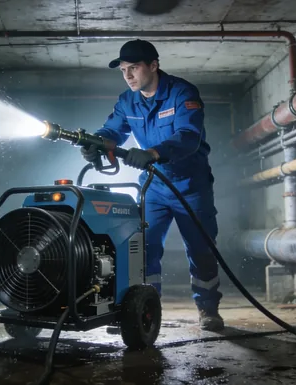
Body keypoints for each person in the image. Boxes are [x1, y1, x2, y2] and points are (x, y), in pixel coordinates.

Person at [81, 39, 224, 331]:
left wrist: (152, 153)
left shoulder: (182, 93)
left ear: (154, 66)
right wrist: (95, 143)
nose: (128, 76)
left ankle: (208, 309)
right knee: (142, 249)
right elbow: (113, 130)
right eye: (123, 70)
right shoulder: (127, 100)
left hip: (190, 186)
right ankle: (143, 310)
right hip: (153, 186)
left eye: (133, 68)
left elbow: (188, 135)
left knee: (201, 249)